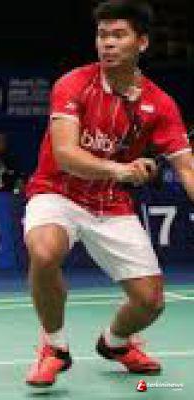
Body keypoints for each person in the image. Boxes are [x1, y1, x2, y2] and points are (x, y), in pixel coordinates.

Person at [23, 0, 194, 388]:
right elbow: (65, 154)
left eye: (119, 35)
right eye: (102, 35)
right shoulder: (74, 84)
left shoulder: (160, 104)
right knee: (44, 252)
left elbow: (186, 167)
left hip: (110, 204)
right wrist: (121, 170)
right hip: (57, 192)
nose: (108, 43)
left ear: (142, 43)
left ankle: (115, 343)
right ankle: (55, 347)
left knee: (150, 301)